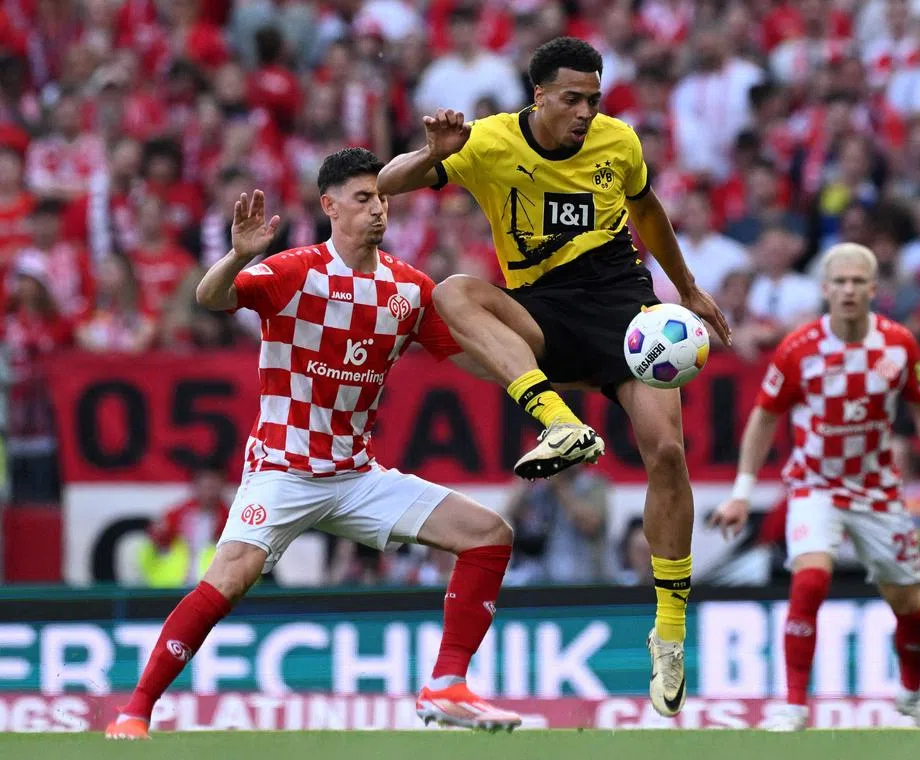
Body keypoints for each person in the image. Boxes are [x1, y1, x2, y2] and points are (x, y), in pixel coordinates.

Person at [104, 148, 521, 740]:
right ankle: (136, 711)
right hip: (284, 468)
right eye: (362, 198)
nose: (377, 209)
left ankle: (446, 686)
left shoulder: (409, 288)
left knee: (488, 534)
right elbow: (211, 298)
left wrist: (529, 375)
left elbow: (466, 358)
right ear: (329, 206)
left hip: (356, 474)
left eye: (381, 197)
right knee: (229, 577)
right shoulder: (294, 271)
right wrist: (238, 257)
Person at [377, 37, 731, 717]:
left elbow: (647, 210)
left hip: (624, 309)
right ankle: (559, 422)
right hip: (541, 309)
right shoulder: (486, 142)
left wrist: (686, 287)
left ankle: (670, 630)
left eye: (593, 99)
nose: (584, 112)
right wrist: (433, 156)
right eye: (572, 98)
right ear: (538, 95)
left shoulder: (618, 143)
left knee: (667, 452)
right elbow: (389, 182)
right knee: (452, 292)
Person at [710, 242, 920, 732]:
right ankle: (794, 705)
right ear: (825, 290)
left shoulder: (898, 344)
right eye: (839, 282)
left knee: (910, 603)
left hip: (877, 491)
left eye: (857, 282)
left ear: (873, 289)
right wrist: (743, 491)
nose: (848, 290)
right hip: (814, 486)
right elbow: (764, 417)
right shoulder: (799, 348)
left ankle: (913, 698)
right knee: (811, 579)